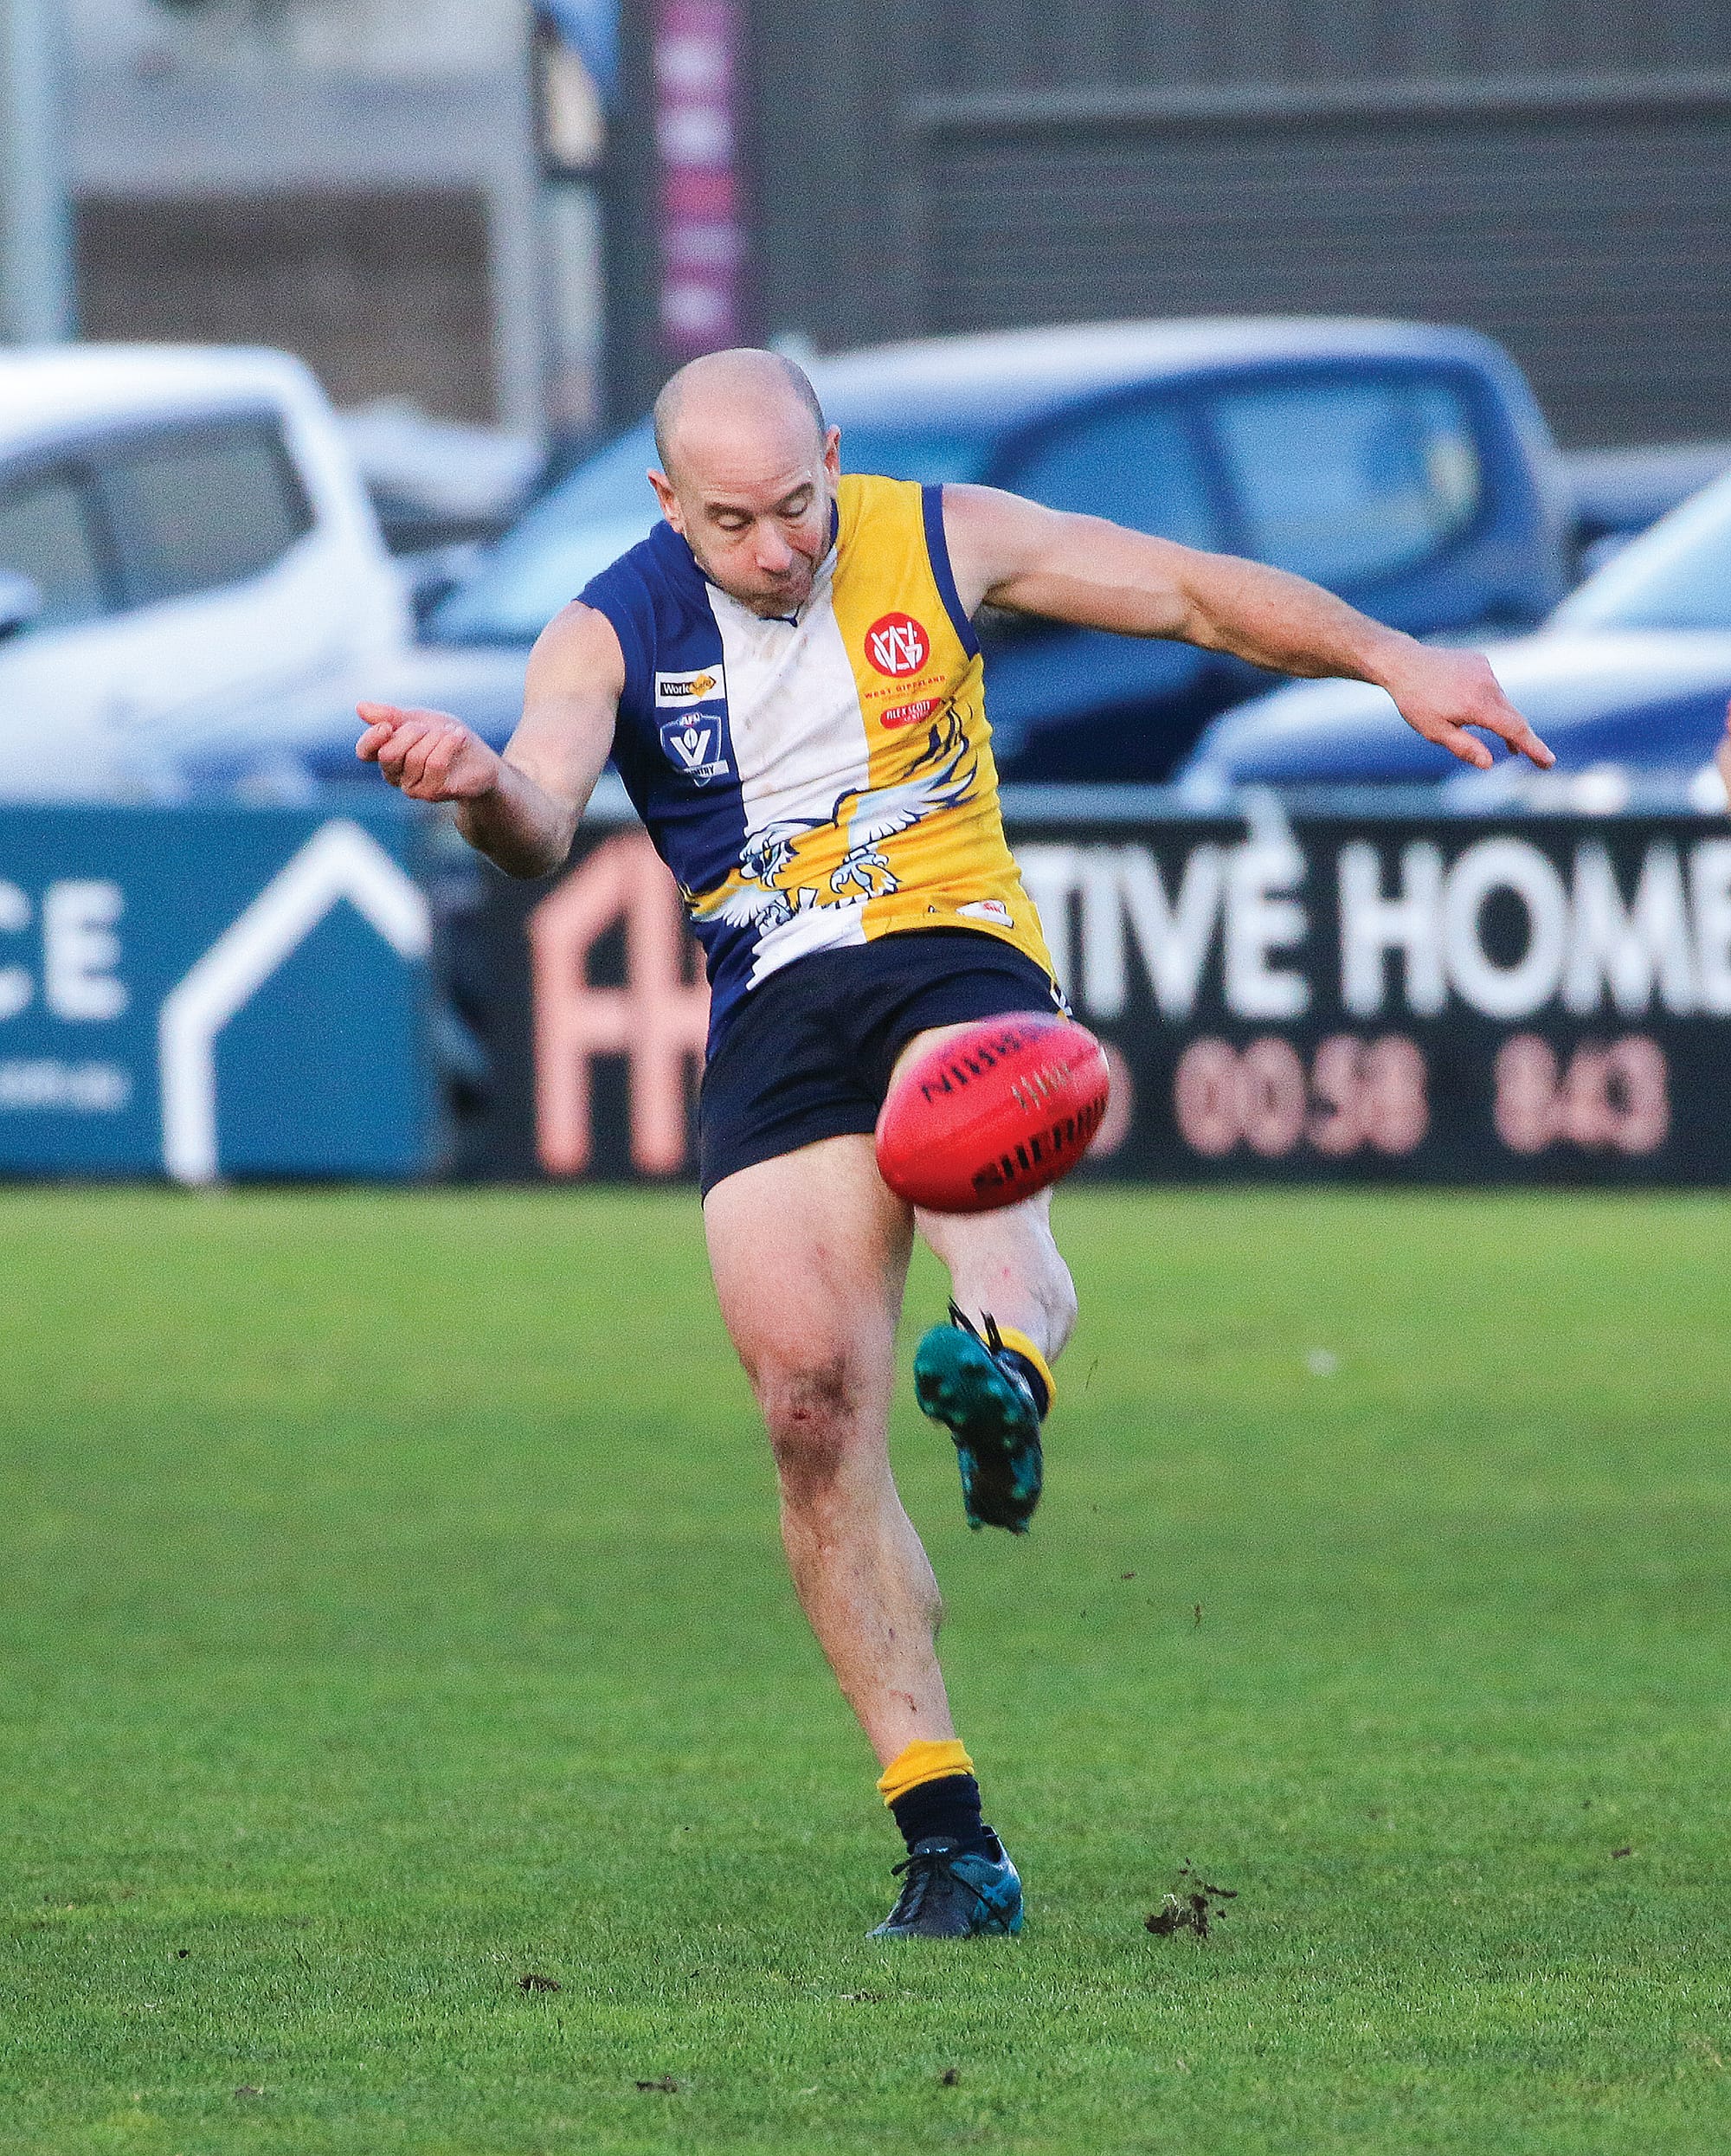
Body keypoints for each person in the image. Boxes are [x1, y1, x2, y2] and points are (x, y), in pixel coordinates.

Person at [357, 348, 1552, 1940]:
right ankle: (948, 1839)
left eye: (800, 503)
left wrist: (1397, 659)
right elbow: (541, 819)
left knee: (971, 1149)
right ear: (667, 503)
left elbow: (1191, 594)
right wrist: (477, 783)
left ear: (833, 457)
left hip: (950, 944)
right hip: (772, 1004)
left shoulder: (936, 533)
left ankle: (1004, 1367)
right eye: (736, 522)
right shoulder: (605, 627)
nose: (783, 547)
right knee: (805, 1406)